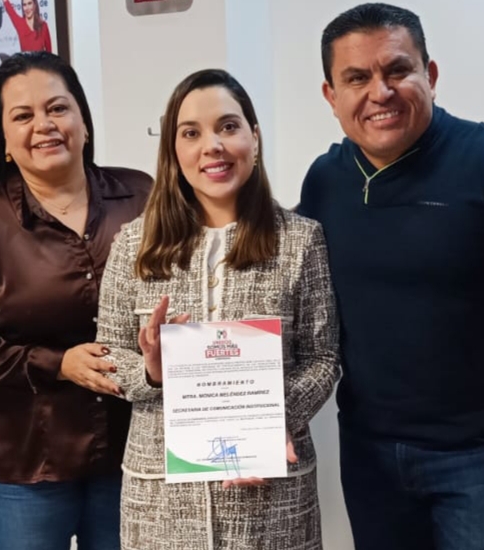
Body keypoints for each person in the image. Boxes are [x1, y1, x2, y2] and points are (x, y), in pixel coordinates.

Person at [297, 4, 484, 550]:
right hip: (370, 454)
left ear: (430, 75)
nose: (380, 92)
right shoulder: (325, 181)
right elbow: (288, 289)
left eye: (398, 70)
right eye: (357, 78)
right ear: (330, 95)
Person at [97, 69, 340, 550]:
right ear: (173, 151)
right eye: (191, 133)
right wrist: (151, 372)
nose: (212, 146)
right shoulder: (133, 246)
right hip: (162, 500)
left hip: (271, 495)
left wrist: (264, 425)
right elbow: (110, 354)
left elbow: (323, 359)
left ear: (255, 137)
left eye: (228, 126)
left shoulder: (301, 241)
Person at [0, 51, 151, 550]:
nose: (44, 125)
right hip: (24, 460)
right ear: (5, 141)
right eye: (23, 116)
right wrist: (57, 364)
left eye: (57, 108)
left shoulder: (141, 196)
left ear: (83, 121)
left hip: (132, 449)